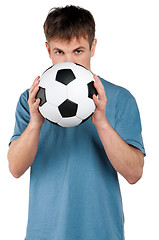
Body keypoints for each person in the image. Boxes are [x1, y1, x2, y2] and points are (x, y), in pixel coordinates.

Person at [8, 5, 146, 240]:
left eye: (78, 51)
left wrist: (101, 121)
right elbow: (15, 169)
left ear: (93, 47)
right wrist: (35, 124)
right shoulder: (30, 99)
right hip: (45, 234)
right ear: (47, 50)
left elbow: (134, 173)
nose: (68, 62)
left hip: (101, 233)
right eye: (60, 52)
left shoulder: (120, 99)